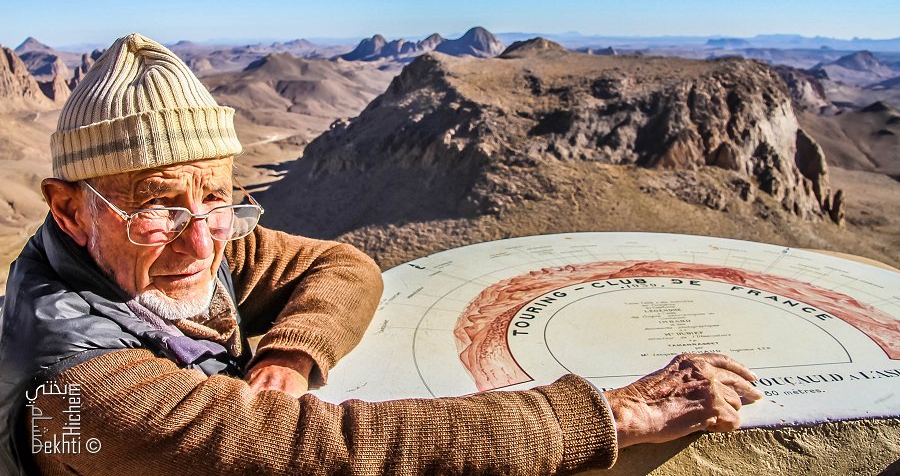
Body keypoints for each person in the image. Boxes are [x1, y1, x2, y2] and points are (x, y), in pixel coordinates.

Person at [0, 33, 762, 475]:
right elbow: (331, 453)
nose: (201, 240)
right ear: (69, 208)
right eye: (158, 205)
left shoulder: (189, 241)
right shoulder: (74, 378)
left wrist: (294, 352)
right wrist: (609, 415)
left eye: (218, 198)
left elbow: (343, 266)